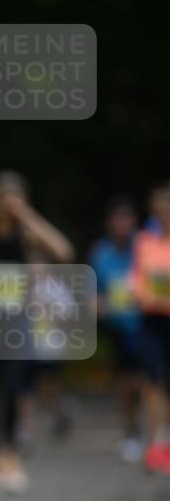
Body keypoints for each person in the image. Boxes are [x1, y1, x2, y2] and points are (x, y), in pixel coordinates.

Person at [0, 172, 73, 492]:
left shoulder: (26, 237)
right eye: (4, 197)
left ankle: (11, 456)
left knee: (13, 389)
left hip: (17, 326)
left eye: (16, 198)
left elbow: (63, 251)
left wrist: (26, 216)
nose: (10, 204)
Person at [89, 197, 144, 462]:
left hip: (147, 323)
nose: (121, 224)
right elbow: (94, 291)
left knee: (149, 380)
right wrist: (98, 306)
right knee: (125, 383)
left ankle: (156, 431)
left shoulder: (145, 247)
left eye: (126, 219)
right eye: (117, 219)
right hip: (119, 326)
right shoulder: (101, 252)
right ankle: (131, 432)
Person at [130, 182, 170, 474]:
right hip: (152, 320)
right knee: (153, 380)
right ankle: (156, 441)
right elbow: (137, 278)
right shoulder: (144, 241)